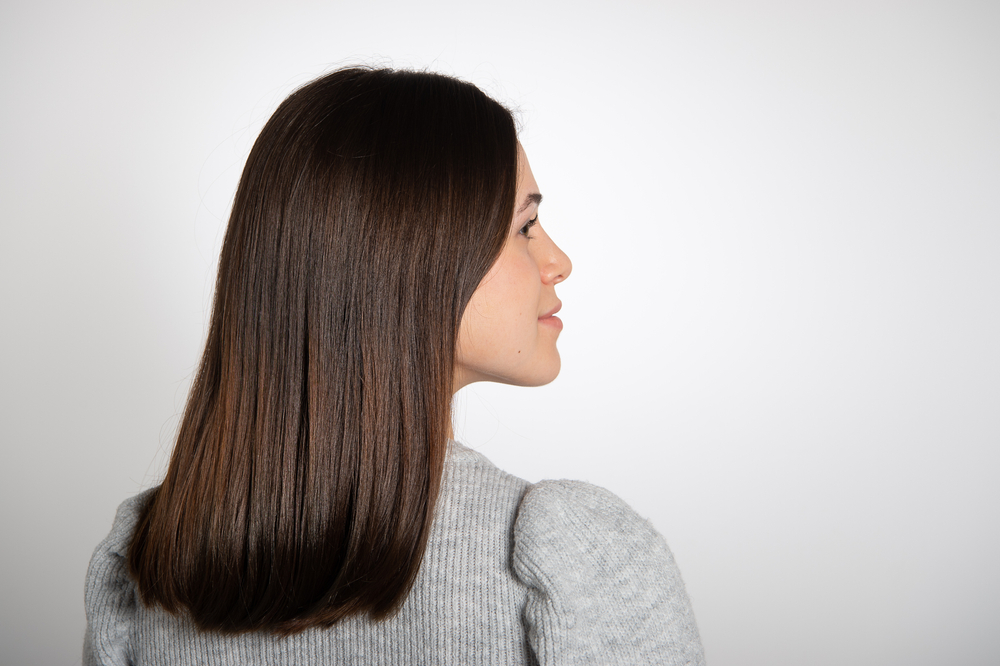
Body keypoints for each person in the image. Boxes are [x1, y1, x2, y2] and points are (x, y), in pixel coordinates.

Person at [83, 66, 706, 665]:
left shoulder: (143, 554)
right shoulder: (568, 552)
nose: (558, 260)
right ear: (407, 259)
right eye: (526, 226)